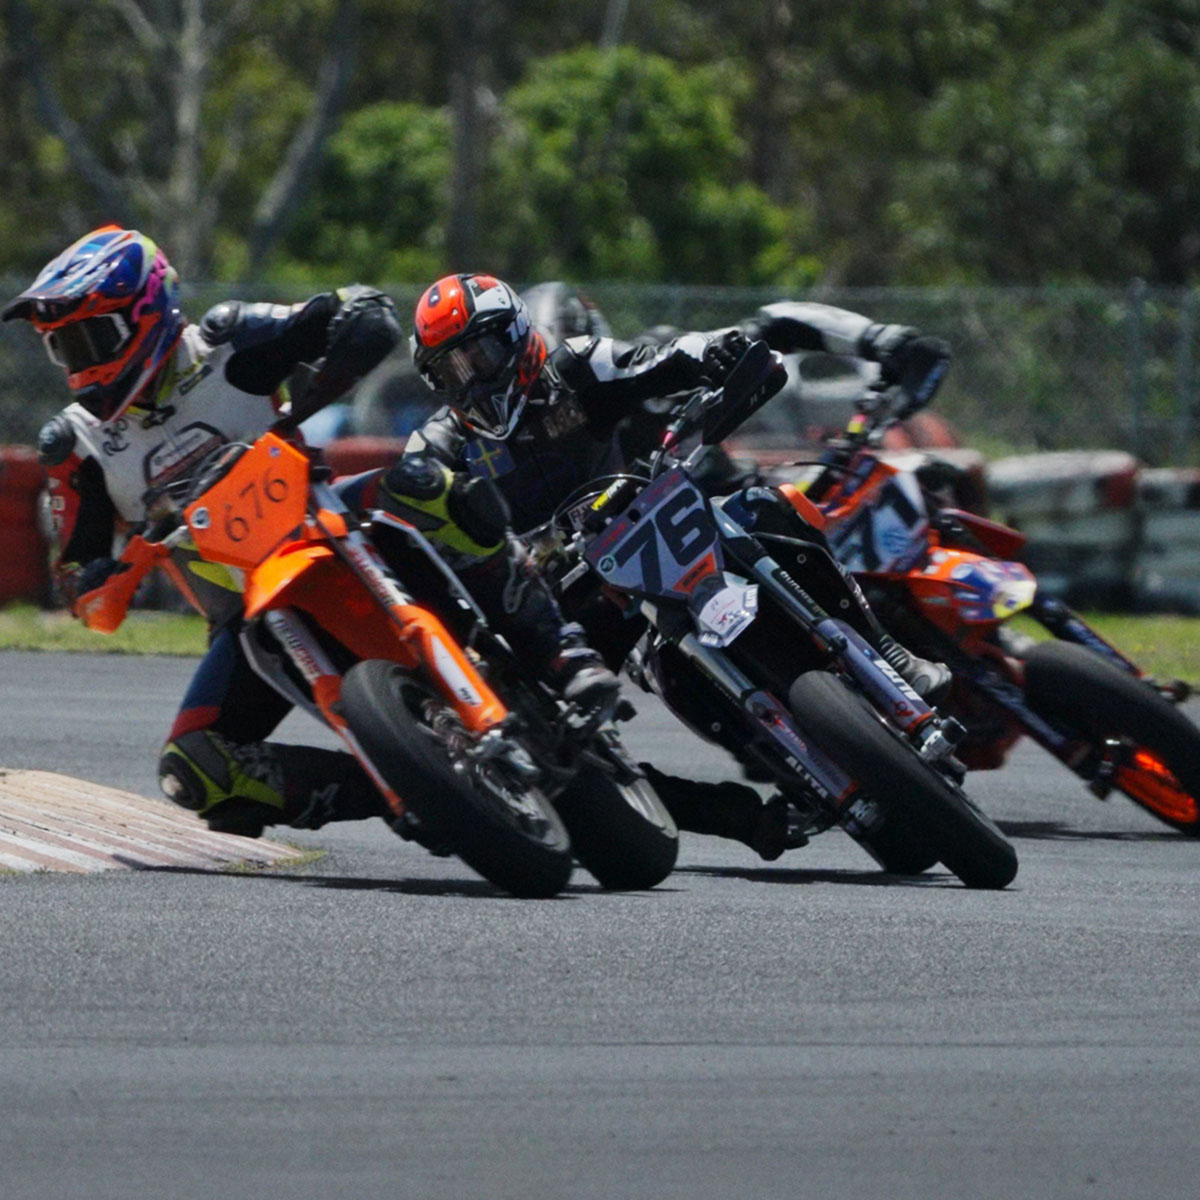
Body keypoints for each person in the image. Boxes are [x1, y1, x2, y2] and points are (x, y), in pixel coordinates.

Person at [385, 272, 952, 859]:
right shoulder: (437, 447)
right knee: (582, 722)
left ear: (519, 336)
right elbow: (421, 533)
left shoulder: (575, 365)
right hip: (563, 594)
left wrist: (711, 353)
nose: (474, 376)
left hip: (650, 518)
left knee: (768, 506)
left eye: (482, 352)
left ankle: (888, 653)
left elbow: (657, 358)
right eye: (454, 368)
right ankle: (749, 803)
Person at [2, 225, 403, 837]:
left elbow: (359, 315)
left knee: (425, 485)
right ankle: (396, 789)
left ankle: (557, 648)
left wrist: (354, 318)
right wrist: (113, 576)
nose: (81, 366)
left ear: (148, 312)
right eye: (63, 348)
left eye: (92, 338)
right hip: (251, 621)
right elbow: (84, 589)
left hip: (332, 529)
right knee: (196, 769)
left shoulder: (226, 342)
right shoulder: (75, 444)